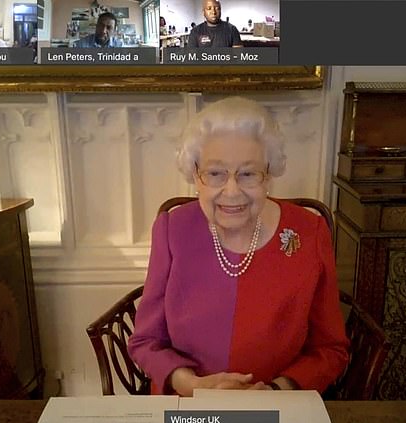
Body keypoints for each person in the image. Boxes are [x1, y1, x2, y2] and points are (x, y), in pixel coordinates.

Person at [128, 97, 350, 397]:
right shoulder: (173, 230)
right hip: (188, 405)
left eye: (248, 173)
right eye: (215, 173)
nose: (231, 192)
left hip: (277, 406)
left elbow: (330, 349)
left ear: (269, 174)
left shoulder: (309, 233)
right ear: (195, 174)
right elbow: (146, 342)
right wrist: (191, 385)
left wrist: (275, 390)